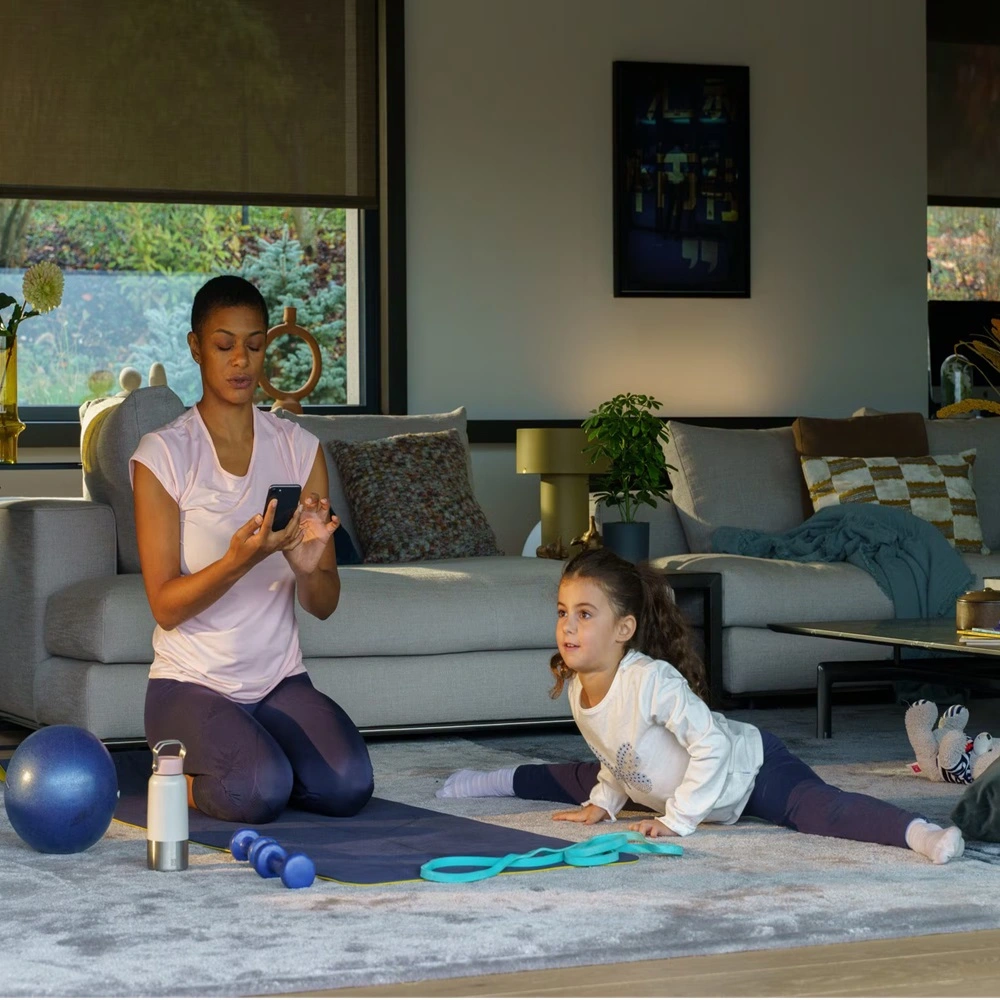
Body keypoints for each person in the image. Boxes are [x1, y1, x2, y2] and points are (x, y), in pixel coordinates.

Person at [439, 548, 964, 864]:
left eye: (584, 613)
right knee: (587, 776)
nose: (568, 626)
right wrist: (605, 801)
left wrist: (678, 819)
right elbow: (611, 750)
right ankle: (489, 780)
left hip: (749, 770)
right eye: (562, 612)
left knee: (821, 811)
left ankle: (923, 833)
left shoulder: (651, 679)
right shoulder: (579, 687)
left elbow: (711, 743)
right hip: (651, 779)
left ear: (624, 629)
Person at [130, 274, 373, 824]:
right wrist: (242, 558)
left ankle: (258, 757)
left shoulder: (299, 448)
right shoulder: (163, 455)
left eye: (255, 344)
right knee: (258, 791)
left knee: (349, 785)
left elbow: (324, 603)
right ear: (196, 347)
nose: (241, 360)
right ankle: (179, 784)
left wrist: (309, 568)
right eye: (224, 345)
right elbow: (165, 605)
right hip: (187, 686)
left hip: (278, 681)